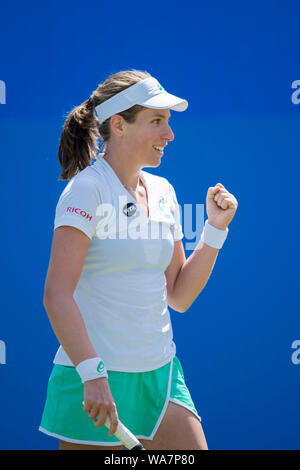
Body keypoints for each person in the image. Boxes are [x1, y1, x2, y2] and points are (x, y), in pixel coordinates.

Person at [39, 69, 238, 450]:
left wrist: (214, 230)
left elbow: (178, 296)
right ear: (119, 125)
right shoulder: (86, 191)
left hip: (162, 379)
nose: (170, 134)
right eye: (157, 121)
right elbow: (56, 294)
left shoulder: (164, 191)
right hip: (95, 380)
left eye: (168, 122)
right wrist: (92, 375)